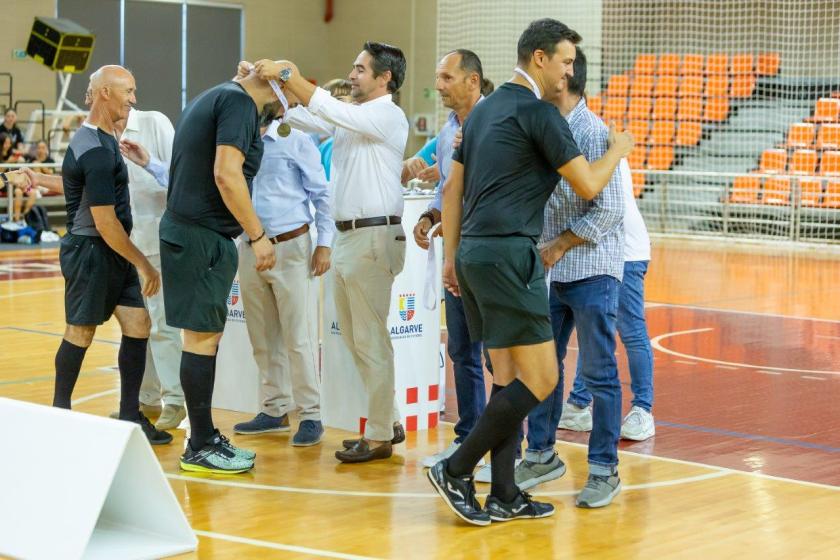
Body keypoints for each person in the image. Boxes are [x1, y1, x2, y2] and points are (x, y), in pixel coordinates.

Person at [426, 19, 633, 526]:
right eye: (565, 60)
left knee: (507, 379)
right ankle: (455, 469)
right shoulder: (541, 113)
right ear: (538, 58)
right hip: (508, 257)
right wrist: (618, 151)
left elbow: (453, 191)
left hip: (474, 254)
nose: (570, 70)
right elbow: (586, 186)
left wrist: (452, 258)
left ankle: (504, 493)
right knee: (541, 380)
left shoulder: (481, 112)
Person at [249, 41, 409, 463]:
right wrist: (273, 89)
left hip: (372, 238)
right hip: (351, 239)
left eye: (360, 69)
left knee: (370, 339)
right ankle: (387, 420)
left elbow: (329, 109)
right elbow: (305, 118)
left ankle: (377, 436)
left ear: (384, 78)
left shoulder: (385, 114)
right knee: (360, 341)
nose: (352, 75)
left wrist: (287, 72)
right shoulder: (356, 120)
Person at [514, 48, 625, 510]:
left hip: (592, 269)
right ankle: (539, 454)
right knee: (544, 369)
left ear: (568, 75)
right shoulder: (543, 126)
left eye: (560, 64)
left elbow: (611, 208)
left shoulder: (596, 132)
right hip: (549, 272)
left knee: (599, 373)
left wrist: (560, 244)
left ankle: (604, 468)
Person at [161, 63, 282, 474]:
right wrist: (258, 234)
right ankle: (199, 445)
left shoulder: (219, 96)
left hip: (196, 233)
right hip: (199, 235)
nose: (286, 111)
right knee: (200, 341)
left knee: (202, 338)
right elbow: (226, 174)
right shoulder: (238, 102)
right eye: (288, 98)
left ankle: (204, 437)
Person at [50, 65, 171, 445]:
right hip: (91, 252)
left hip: (112, 252)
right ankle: (59, 415)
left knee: (139, 326)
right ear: (105, 93)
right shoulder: (95, 149)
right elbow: (104, 222)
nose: (134, 99)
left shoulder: (105, 141)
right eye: (128, 91)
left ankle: (131, 416)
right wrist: (144, 262)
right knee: (81, 332)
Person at [406, 49, 494, 470]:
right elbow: (448, 189)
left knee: (501, 357)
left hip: (492, 258)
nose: (438, 85)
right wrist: (430, 216)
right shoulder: (446, 133)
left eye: (446, 77)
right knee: (462, 351)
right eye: (437, 77)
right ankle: (468, 441)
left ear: (472, 80)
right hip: (457, 255)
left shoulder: (496, 124)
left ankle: (518, 447)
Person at [231, 112, 334, 448]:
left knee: (299, 335)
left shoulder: (296, 140)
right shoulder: (237, 141)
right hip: (250, 247)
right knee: (262, 335)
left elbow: (322, 194)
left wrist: (324, 244)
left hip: (291, 245)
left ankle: (310, 415)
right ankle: (274, 409)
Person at [558, 156, 655, 440]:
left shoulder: (597, 143)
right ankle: (577, 404)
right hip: (598, 253)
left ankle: (643, 409)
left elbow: (599, 203)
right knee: (594, 330)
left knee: (632, 331)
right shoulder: (580, 142)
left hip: (625, 253)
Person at [111, 107, 186, 431]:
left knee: (163, 325)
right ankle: (147, 397)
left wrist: (149, 164)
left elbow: (180, 178)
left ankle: (176, 400)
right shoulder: (100, 133)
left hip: (157, 241)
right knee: (137, 325)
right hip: (125, 245)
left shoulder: (156, 123)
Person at [317, 78, 352, 180]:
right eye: (329, 101)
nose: (334, 106)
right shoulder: (324, 147)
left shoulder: (362, 143)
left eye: (340, 100)